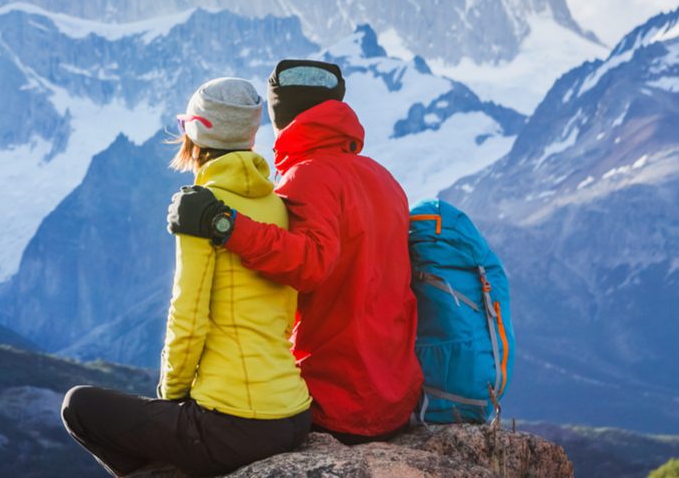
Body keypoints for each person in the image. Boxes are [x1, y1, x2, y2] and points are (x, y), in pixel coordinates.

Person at [61, 77, 313, 477]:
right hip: (294, 413)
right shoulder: (278, 205)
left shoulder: (202, 211)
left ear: (196, 132)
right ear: (251, 134)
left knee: (78, 407)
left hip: (236, 422)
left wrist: (171, 397)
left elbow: (188, 317)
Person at [167, 60, 422, 444]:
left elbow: (311, 266)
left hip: (338, 399)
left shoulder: (308, 176)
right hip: (395, 399)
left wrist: (224, 224)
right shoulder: (383, 178)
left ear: (280, 116)